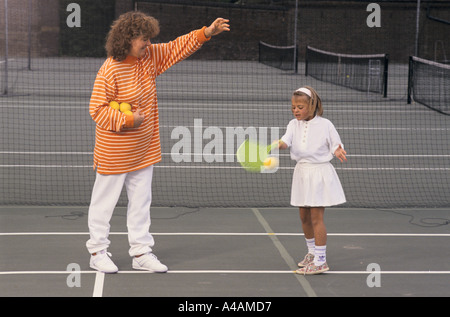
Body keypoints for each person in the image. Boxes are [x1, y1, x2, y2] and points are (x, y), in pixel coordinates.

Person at [86, 11, 230, 273]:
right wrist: (128, 120)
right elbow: (97, 109)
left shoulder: (150, 58)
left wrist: (206, 33)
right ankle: (97, 251)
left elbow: (177, 47)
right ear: (128, 39)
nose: (149, 44)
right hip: (114, 151)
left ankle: (140, 252)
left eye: (150, 39)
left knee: (141, 203)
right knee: (103, 203)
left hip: (144, 150)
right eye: (144, 39)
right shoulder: (110, 70)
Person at [278, 86, 347, 275]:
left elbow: (335, 145)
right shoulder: (293, 125)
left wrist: (338, 150)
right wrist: (277, 144)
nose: (296, 110)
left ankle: (321, 261)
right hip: (301, 173)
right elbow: (286, 142)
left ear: (312, 105)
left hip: (319, 174)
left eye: (300, 107)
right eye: (293, 107)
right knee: (304, 216)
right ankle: (311, 253)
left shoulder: (326, 125)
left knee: (317, 217)